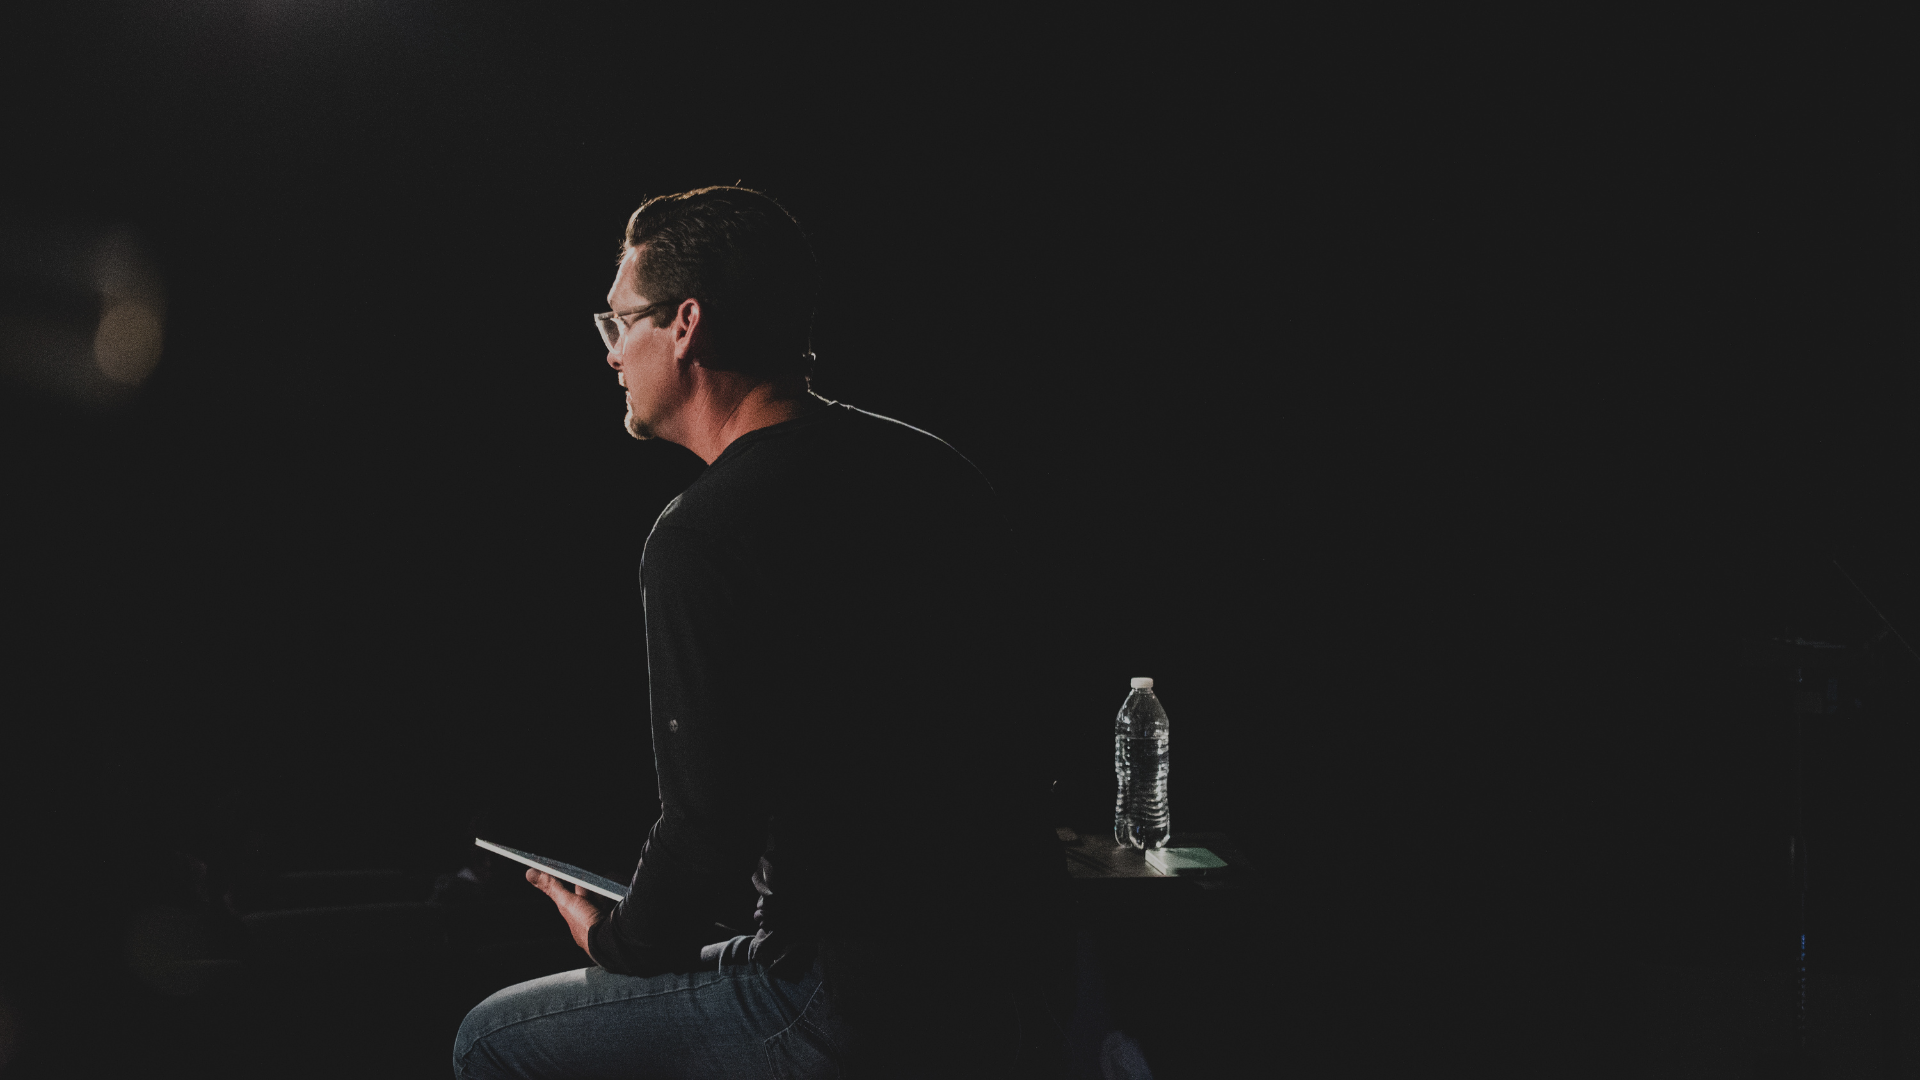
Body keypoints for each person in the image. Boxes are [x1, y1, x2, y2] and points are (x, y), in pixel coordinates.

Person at [452, 187, 1072, 1079]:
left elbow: (708, 828)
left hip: (851, 995)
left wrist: (619, 940)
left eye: (619, 322)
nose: (613, 353)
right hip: (1020, 966)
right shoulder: (934, 470)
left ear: (685, 325)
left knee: (492, 1040)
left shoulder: (701, 535)